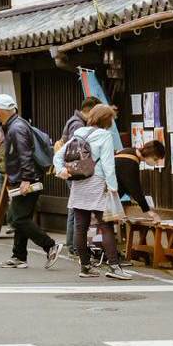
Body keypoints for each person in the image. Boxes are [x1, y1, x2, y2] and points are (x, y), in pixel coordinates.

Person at [55, 104, 131, 280]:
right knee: (106, 226)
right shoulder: (105, 136)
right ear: (107, 120)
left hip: (79, 183)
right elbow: (108, 165)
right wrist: (113, 187)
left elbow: (58, 156)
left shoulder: (79, 133)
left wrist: (62, 171)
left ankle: (85, 267)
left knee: (80, 226)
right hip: (97, 183)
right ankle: (114, 267)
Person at [0, 94, 62, 269]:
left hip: (26, 179)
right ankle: (19, 256)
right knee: (21, 217)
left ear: (1, 111)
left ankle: (50, 245)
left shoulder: (16, 128)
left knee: (17, 219)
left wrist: (26, 179)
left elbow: (25, 155)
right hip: (27, 177)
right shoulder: (17, 124)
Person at [61, 96, 101, 252]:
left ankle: (73, 244)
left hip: (73, 170)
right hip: (75, 171)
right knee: (76, 208)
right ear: (90, 109)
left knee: (75, 207)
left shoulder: (75, 121)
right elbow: (76, 151)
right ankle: (74, 245)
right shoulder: (77, 124)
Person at [115, 140, 164, 223]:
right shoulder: (131, 161)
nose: (156, 163)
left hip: (98, 191)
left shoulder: (128, 151)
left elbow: (125, 183)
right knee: (106, 227)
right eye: (156, 159)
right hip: (101, 197)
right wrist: (151, 213)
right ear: (150, 155)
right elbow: (135, 188)